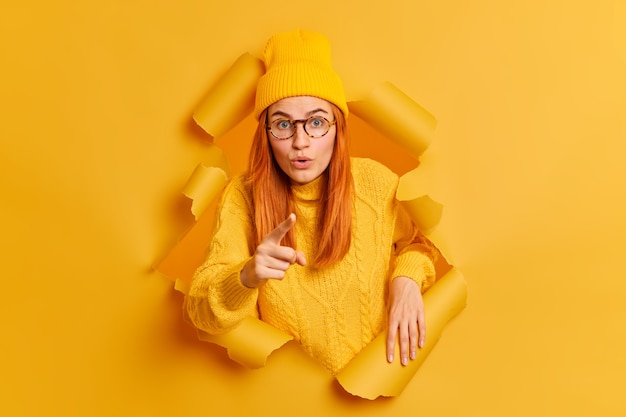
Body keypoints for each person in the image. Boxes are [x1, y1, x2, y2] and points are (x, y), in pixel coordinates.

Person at [184, 30, 438, 375]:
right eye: (283, 124)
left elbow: (419, 245)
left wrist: (406, 279)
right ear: (266, 133)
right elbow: (200, 311)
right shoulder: (243, 196)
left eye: (316, 122)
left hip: (378, 389)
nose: (300, 141)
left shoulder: (375, 183)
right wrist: (245, 277)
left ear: (338, 128)